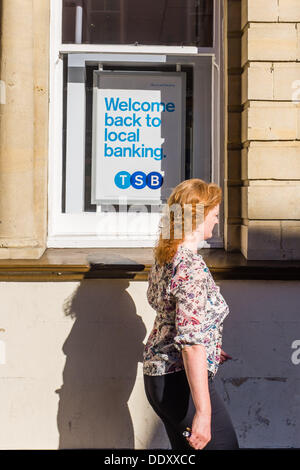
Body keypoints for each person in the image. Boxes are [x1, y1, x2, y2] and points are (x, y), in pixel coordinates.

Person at [143, 178, 239, 450]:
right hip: (178, 380)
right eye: (215, 215)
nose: (217, 222)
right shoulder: (190, 268)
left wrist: (209, 344)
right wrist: (203, 414)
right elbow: (190, 345)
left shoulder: (166, 256)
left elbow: (171, 317)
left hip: (158, 377)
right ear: (198, 217)